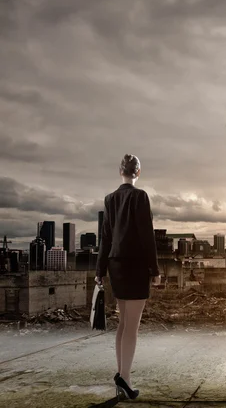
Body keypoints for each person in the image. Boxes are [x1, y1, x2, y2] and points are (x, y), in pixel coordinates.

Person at [95, 154, 161, 400]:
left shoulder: (110, 199)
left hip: (115, 265)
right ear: (138, 172)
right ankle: (125, 379)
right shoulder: (140, 196)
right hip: (135, 266)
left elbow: (105, 237)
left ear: (120, 171)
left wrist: (99, 271)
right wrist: (155, 270)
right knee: (131, 326)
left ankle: (121, 376)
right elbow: (147, 235)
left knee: (123, 323)